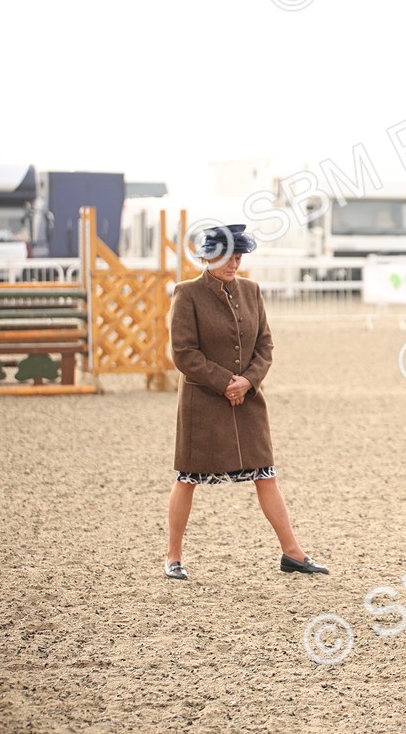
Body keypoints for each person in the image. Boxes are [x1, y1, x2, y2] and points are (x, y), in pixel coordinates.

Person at [163, 224, 328, 579]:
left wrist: (248, 381)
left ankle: (293, 553)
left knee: (266, 475)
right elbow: (182, 353)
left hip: (249, 400)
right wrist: (225, 382)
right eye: (226, 257)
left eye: (238, 257)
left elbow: (265, 346)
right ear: (207, 256)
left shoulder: (252, 292)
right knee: (187, 478)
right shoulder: (187, 294)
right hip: (203, 403)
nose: (233, 263)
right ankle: (173, 557)